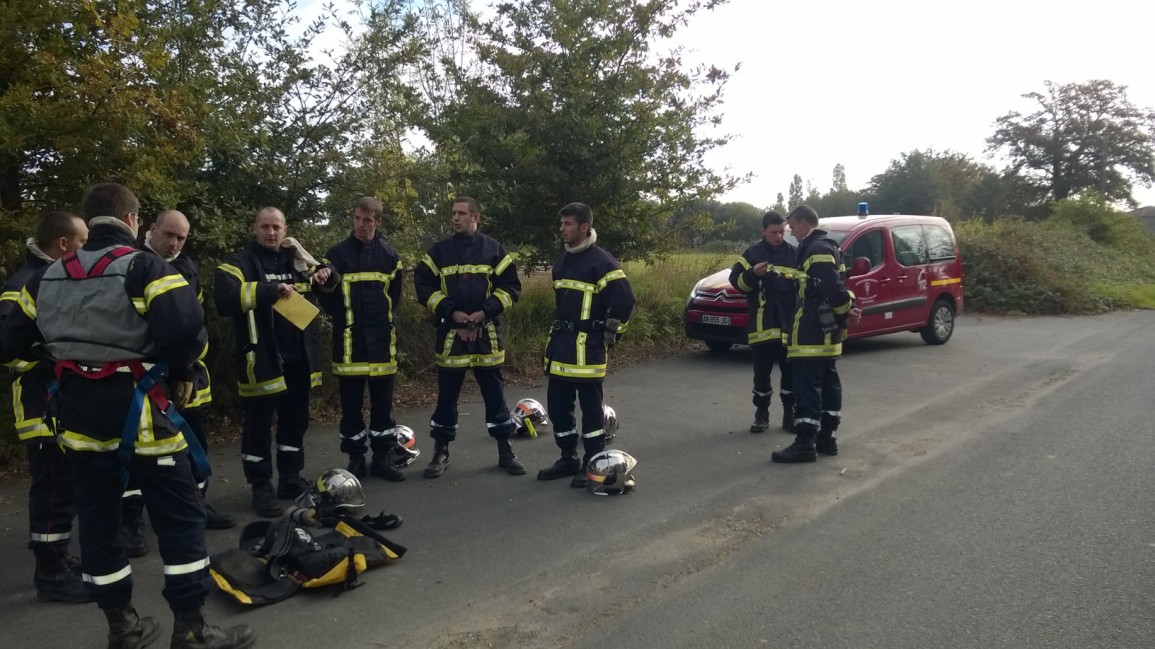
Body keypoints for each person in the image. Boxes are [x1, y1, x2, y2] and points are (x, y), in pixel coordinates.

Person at [0, 183, 256, 648]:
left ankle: (123, 627)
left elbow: (11, 341)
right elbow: (187, 331)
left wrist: (65, 359)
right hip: (141, 416)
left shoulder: (45, 277)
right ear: (133, 220)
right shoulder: (144, 267)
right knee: (180, 519)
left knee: (98, 523)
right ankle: (192, 629)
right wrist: (179, 371)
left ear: (89, 220)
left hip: (78, 420)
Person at [214, 207, 338, 517]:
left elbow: (329, 284)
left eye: (276, 227)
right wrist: (270, 291)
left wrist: (325, 273)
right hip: (262, 359)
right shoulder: (240, 263)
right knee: (258, 426)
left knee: (295, 421)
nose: (271, 232)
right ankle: (261, 486)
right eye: (265, 227)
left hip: (298, 357)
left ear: (285, 230)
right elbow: (224, 297)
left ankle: (290, 477)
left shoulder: (294, 260)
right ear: (254, 228)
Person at [0, 211, 89, 603]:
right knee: (52, 488)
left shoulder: (56, 278)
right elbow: (8, 348)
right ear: (64, 244)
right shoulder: (24, 284)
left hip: (60, 403)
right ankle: (50, 573)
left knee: (63, 486)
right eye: (83, 241)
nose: (88, 249)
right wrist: (54, 358)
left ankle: (59, 558)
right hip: (41, 404)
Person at [412, 196, 524, 478]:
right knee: (446, 398)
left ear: (475, 217)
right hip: (452, 334)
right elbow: (423, 285)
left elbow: (511, 288)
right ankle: (440, 452)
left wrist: (483, 314)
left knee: (495, 396)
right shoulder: (440, 251)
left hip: (486, 335)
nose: (455, 218)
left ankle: (505, 450)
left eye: (461, 213)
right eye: (453, 213)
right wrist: (452, 313)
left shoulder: (493, 249)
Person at [139, 209, 235, 530]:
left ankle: (198, 505)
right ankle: (131, 523)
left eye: (181, 238)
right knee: (138, 452)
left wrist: (187, 367)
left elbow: (195, 323)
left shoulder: (186, 266)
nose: (174, 243)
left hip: (187, 375)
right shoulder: (135, 263)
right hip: (145, 378)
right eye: (169, 234)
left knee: (194, 445)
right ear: (152, 229)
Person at [538, 202, 635, 488]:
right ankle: (568, 457)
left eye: (567, 224)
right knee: (558, 408)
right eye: (561, 223)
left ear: (584, 227)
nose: (561, 229)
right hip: (561, 348)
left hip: (588, 351)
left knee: (591, 411)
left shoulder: (602, 262)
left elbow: (625, 301)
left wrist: (611, 335)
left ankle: (592, 461)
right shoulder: (562, 262)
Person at [317, 197, 408, 481]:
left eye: (367, 220)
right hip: (349, 345)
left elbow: (394, 299)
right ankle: (356, 459)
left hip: (382, 345)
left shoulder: (390, 257)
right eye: (357, 218)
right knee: (351, 409)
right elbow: (326, 299)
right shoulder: (335, 255)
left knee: (383, 407)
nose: (360, 225)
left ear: (377, 222)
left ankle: (381, 458)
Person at [773, 205, 861, 464]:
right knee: (829, 381)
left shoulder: (817, 249)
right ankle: (827, 438)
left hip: (813, 330)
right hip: (827, 330)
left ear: (804, 224)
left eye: (792, 227)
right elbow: (840, 285)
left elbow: (832, 287)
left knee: (807, 385)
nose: (791, 232)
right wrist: (847, 310)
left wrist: (845, 310)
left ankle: (805, 442)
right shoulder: (827, 246)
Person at [729, 210, 797, 434]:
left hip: (788, 328)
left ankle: (790, 414)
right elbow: (736, 283)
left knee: (791, 374)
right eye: (774, 232)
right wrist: (752, 274)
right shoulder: (752, 254)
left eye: (782, 232)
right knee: (761, 375)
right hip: (761, 327)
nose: (779, 236)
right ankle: (761, 414)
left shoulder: (794, 254)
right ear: (763, 231)